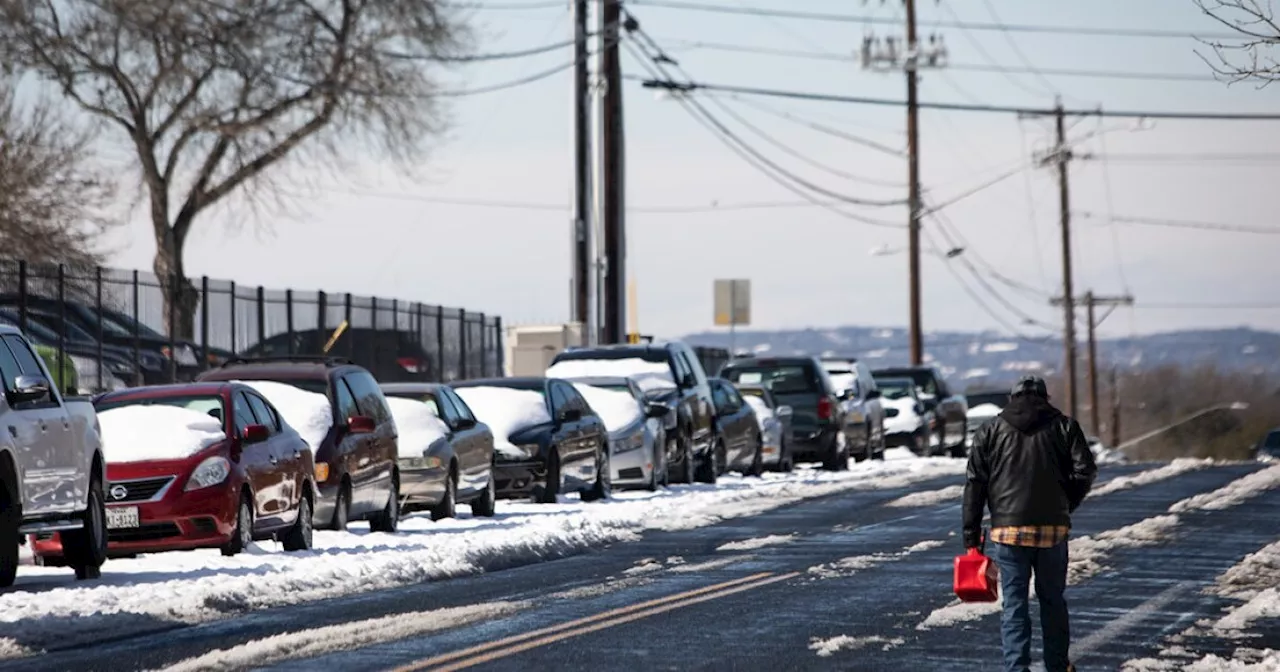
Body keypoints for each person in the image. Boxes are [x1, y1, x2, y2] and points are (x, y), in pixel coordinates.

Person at [963, 375, 1098, 672]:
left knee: (1014, 605)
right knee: (1052, 602)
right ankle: (1057, 666)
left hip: (1008, 532)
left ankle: (1017, 667)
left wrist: (971, 536)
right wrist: (1065, 505)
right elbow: (1085, 470)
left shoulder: (990, 430)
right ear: (1044, 397)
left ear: (1012, 399)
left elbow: (975, 483)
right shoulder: (1065, 425)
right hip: (1053, 531)